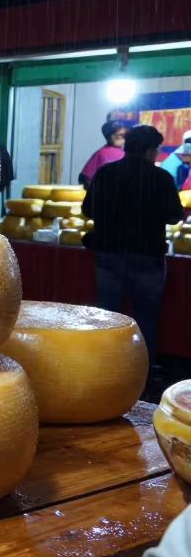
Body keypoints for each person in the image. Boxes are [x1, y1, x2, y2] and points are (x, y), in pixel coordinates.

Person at [82, 125, 185, 382]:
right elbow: (174, 216)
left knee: (107, 317)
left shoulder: (105, 174)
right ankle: (142, 375)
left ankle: (103, 370)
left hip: (108, 256)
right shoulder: (160, 179)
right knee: (145, 319)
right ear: (151, 151)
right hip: (147, 258)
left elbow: (88, 210)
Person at [78, 119, 131, 186]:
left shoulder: (101, 152)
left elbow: (84, 178)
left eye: (126, 134)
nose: (124, 137)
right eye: (121, 135)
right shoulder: (107, 153)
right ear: (109, 136)